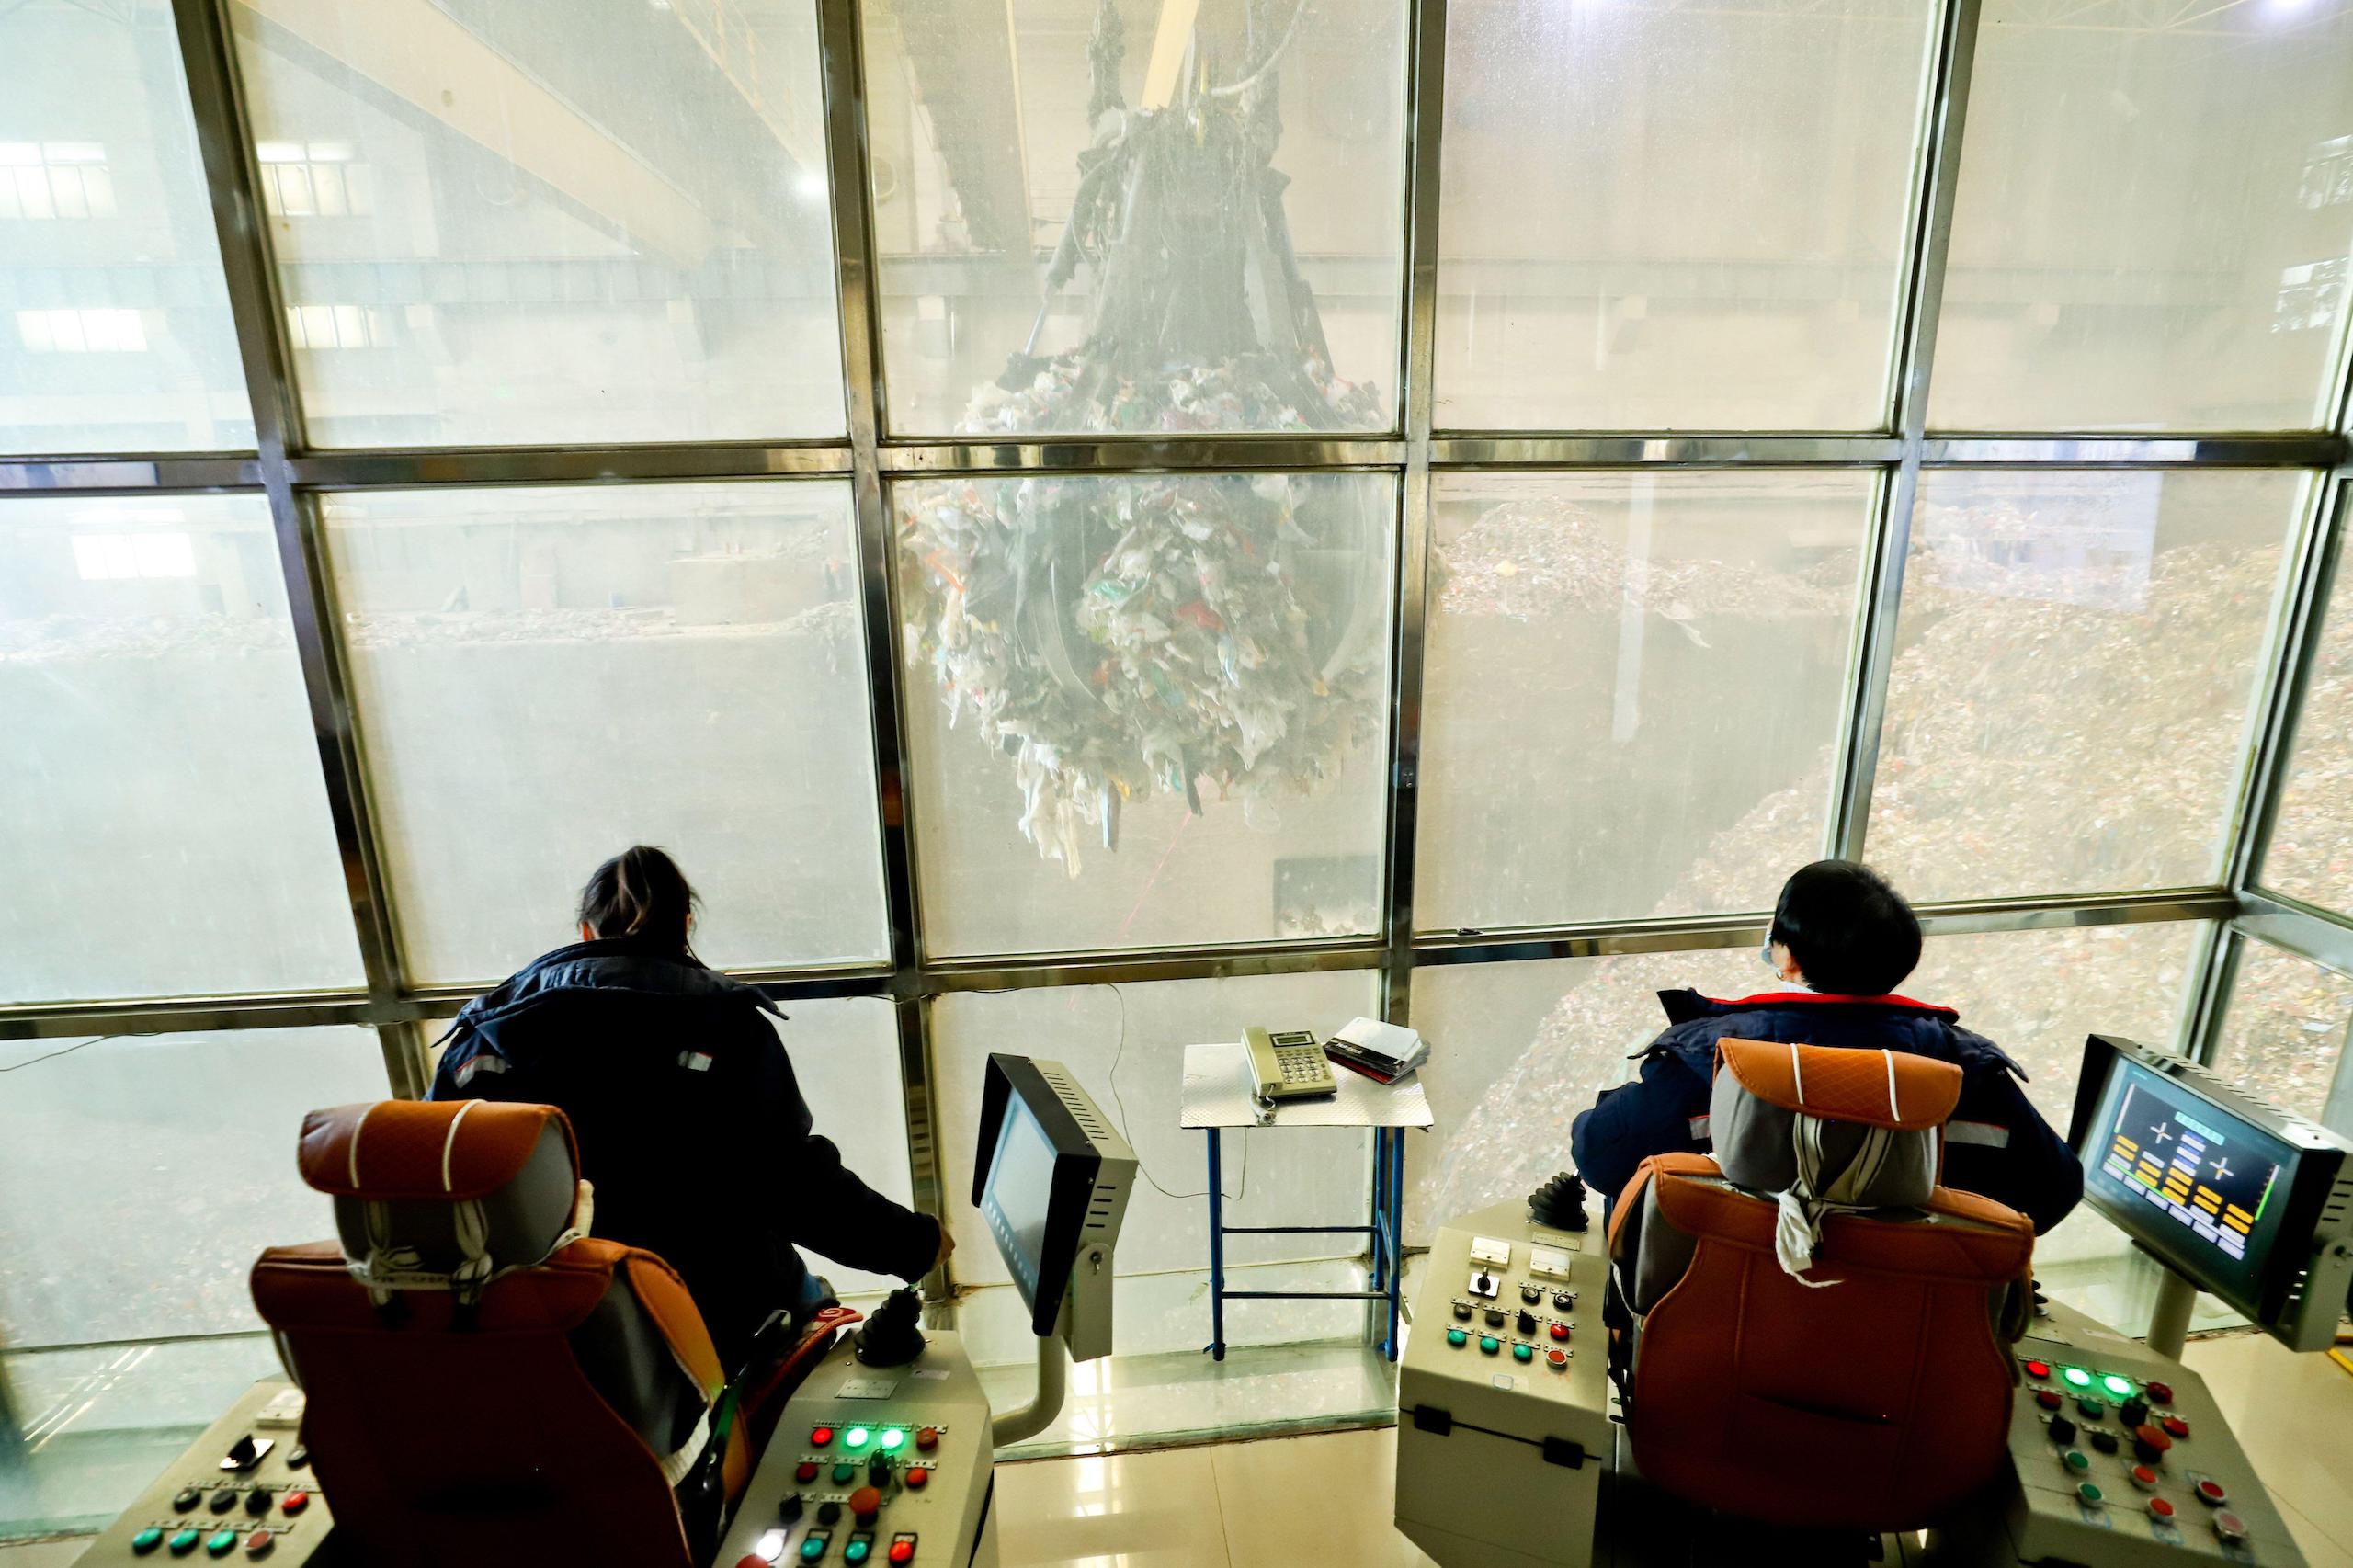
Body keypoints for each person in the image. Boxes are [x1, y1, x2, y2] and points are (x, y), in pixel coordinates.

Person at [427, 846, 950, 1365]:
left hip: (541, 1330)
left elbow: (439, 1190)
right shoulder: (725, 1026)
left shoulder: (483, 1035)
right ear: (685, 924)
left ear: (585, 930)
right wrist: (913, 1244)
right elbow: (789, 1182)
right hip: (714, 1321)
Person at [1571, 859, 2082, 1234]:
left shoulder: (1717, 1059)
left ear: (1788, 957)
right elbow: (2052, 1191)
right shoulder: (1965, 1072)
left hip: (1721, 1316)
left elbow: (1600, 1156)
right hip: (1898, 1337)